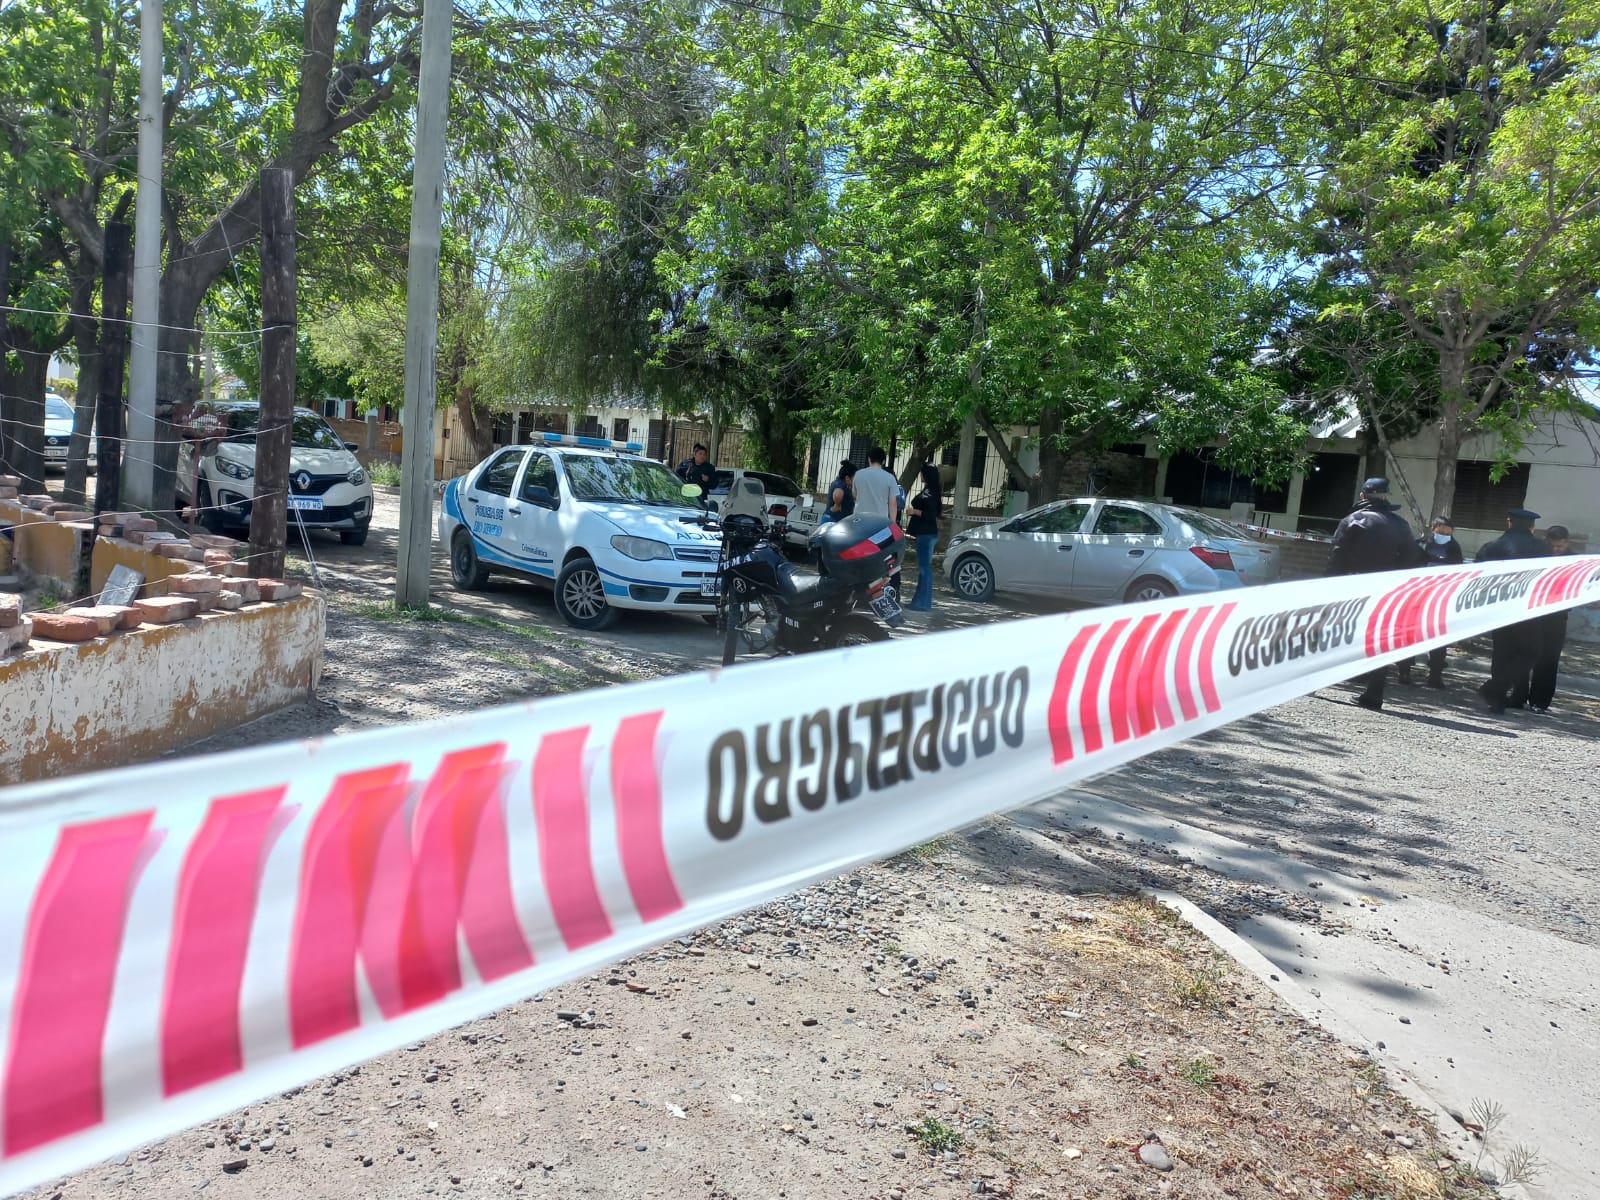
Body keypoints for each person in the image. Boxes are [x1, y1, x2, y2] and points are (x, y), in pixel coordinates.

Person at [1326, 477, 1419, 711]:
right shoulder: (1401, 525)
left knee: (1336, 634)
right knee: (1381, 641)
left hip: (1353, 589)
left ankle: (1316, 680)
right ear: (1386, 497)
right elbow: (1411, 559)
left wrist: (1328, 589)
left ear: (1362, 496)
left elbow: (1336, 557)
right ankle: (1374, 693)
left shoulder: (1352, 520)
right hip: (1388, 591)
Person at [1474, 507, 1549, 714]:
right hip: (1527, 608)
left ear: (1509, 523)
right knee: (1530, 652)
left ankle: (1496, 701)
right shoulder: (1541, 547)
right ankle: (1495, 688)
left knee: (1502, 653)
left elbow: (1477, 576)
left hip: (1498, 607)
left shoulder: (1492, 546)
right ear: (1532, 526)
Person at [1398, 516, 1463, 689]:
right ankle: (1404, 671)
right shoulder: (1419, 545)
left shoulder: (1454, 549)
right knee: (1408, 636)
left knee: (1438, 638)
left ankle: (1435, 675)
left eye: (1448, 532)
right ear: (1433, 528)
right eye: (1441, 531)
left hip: (1440, 600)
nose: (1444, 535)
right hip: (1416, 598)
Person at [1528, 524, 1575, 713]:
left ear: (1567, 543)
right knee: (1529, 654)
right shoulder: (1538, 555)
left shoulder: (1574, 561)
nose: (1556, 550)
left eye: (1560, 547)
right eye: (1553, 546)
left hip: (1558, 615)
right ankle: (1521, 695)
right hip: (1535, 612)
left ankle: (1541, 700)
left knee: (1550, 658)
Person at [905, 463, 941, 611]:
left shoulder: (931, 493)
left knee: (925, 569)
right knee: (923, 569)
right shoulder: (931, 490)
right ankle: (918, 601)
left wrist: (915, 512)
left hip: (926, 534)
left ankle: (924, 603)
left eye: (922, 473)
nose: (920, 475)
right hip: (924, 534)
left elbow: (930, 514)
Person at [852, 446, 900, 525]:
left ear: (869, 459)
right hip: (880, 521)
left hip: (859, 520)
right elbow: (893, 503)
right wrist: (893, 523)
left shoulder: (858, 474)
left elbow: (854, 494)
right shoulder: (890, 478)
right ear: (884, 461)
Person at [819, 460, 856, 525]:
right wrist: (837, 505)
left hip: (830, 519)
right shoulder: (841, 484)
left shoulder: (838, 482)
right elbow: (837, 494)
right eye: (854, 477)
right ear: (847, 478)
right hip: (834, 520)